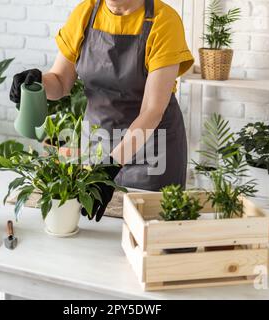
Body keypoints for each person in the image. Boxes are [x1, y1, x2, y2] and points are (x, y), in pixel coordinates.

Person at [10, 0, 194, 221]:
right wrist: (37, 82)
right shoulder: (86, 13)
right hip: (98, 147)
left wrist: (111, 165)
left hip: (152, 154)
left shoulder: (164, 21)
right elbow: (60, 82)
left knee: (147, 231)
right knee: (97, 235)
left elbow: (152, 110)